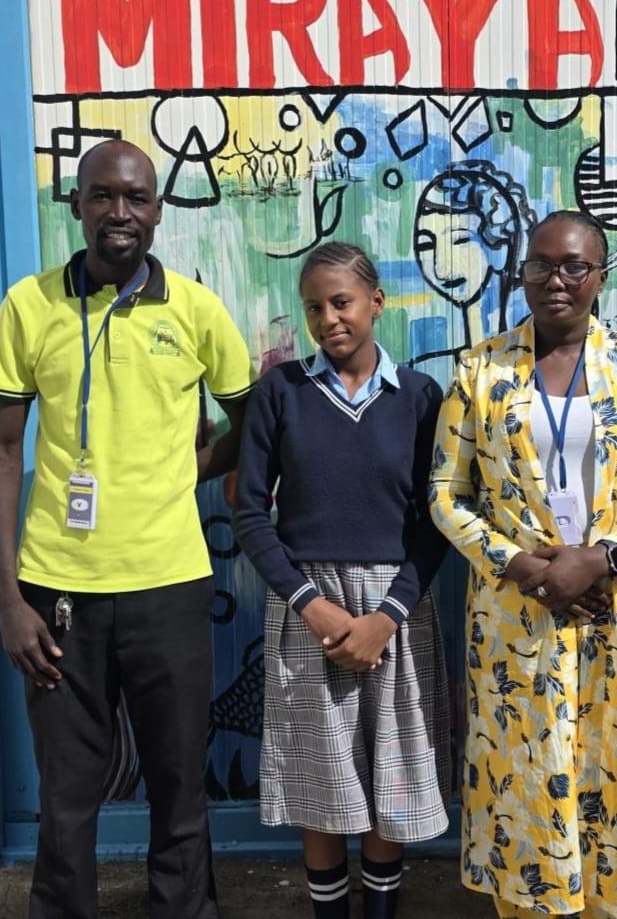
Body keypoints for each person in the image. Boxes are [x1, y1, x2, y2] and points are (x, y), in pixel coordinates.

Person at [0, 139, 254, 919]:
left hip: (169, 585)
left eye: (135, 197)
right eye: (102, 195)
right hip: (57, 594)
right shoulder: (29, 305)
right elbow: (1, 450)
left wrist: (186, 472)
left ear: (158, 210)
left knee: (178, 782)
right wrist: (8, 600)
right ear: (77, 204)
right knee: (67, 794)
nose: (119, 212)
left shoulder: (195, 309)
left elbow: (250, 421)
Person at [429, 210, 617, 919]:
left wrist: (600, 559)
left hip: (615, 613)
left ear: (600, 276)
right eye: (541, 265)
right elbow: (446, 494)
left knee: (614, 775)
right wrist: (523, 566)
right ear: (521, 274)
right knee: (524, 772)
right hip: (516, 617)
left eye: (574, 265)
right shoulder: (480, 370)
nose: (556, 279)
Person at [232, 242, 450, 919]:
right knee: (320, 779)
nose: (328, 319)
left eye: (341, 302)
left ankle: (382, 908)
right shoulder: (281, 391)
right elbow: (250, 513)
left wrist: (388, 614)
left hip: (395, 608)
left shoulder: (419, 397)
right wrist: (310, 604)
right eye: (313, 308)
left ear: (376, 303)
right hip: (309, 607)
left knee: (392, 776)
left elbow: (437, 518)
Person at [412, 161, 536, 362]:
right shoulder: (429, 367)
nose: (440, 269)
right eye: (426, 245)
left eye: (460, 240)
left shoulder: (538, 361)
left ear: (502, 247)